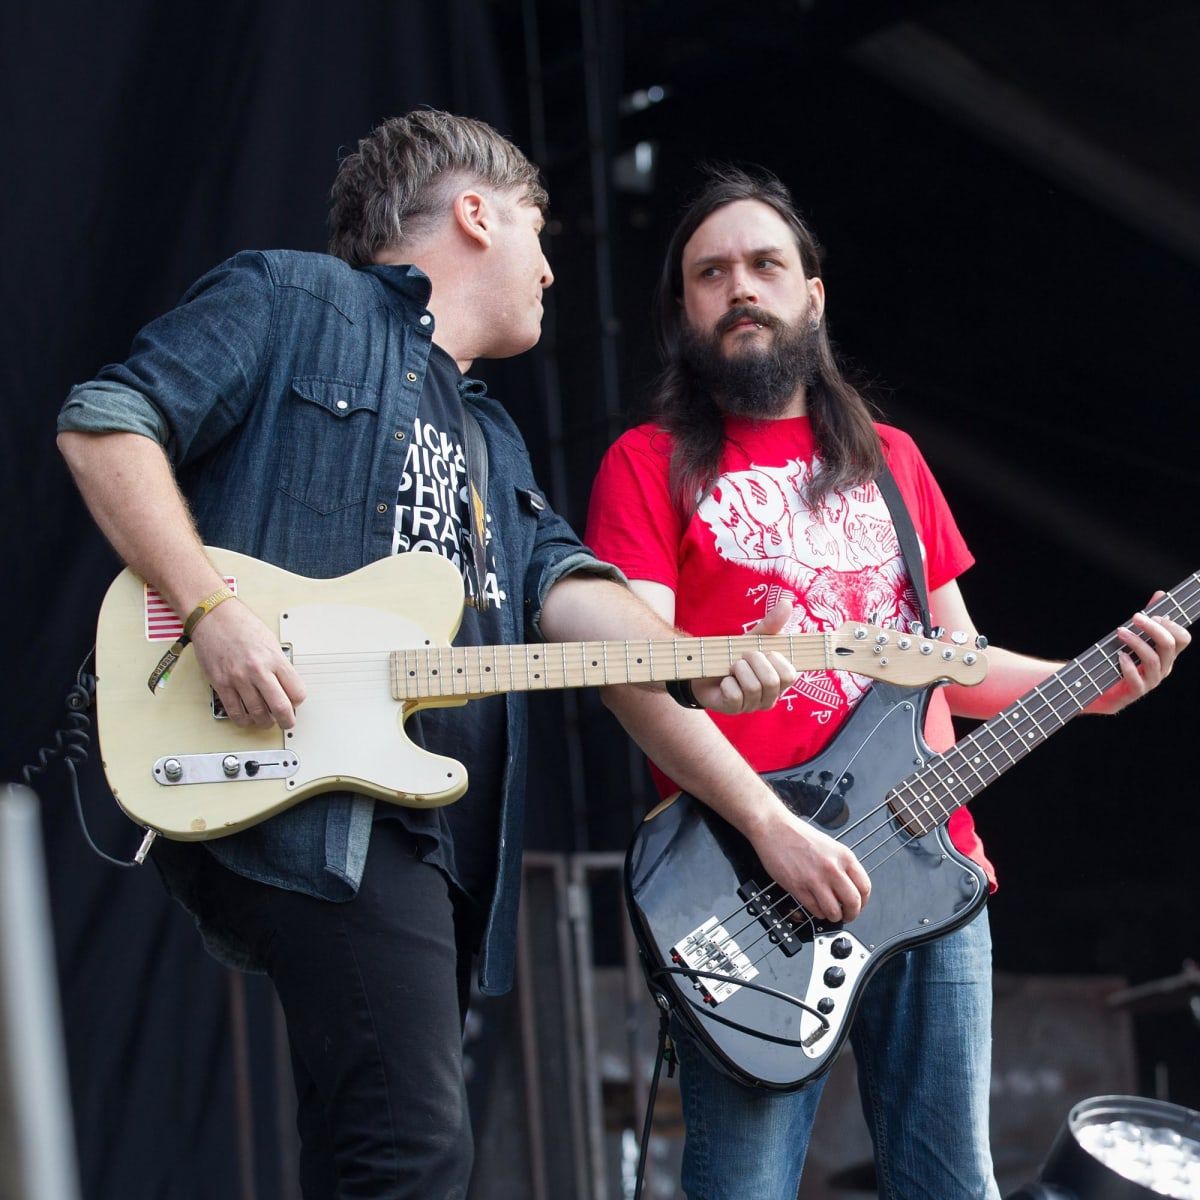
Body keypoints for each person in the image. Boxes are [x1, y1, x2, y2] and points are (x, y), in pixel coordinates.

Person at [56, 114, 800, 1200]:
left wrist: (699, 660)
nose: (551, 269)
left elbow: (567, 592)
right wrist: (214, 612)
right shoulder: (291, 298)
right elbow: (105, 424)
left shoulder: (493, 438)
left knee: (371, 1154)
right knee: (413, 1159)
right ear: (474, 212)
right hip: (324, 809)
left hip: (438, 840)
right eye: (539, 234)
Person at [584, 165, 1190, 1199]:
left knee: (953, 1183)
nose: (741, 287)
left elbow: (958, 662)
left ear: (812, 295)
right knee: (744, 1188)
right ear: (680, 311)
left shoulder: (892, 460)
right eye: (710, 272)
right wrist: (773, 828)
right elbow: (630, 677)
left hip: (931, 876)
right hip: (745, 879)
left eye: (765, 265)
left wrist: (1099, 685)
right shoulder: (647, 465)